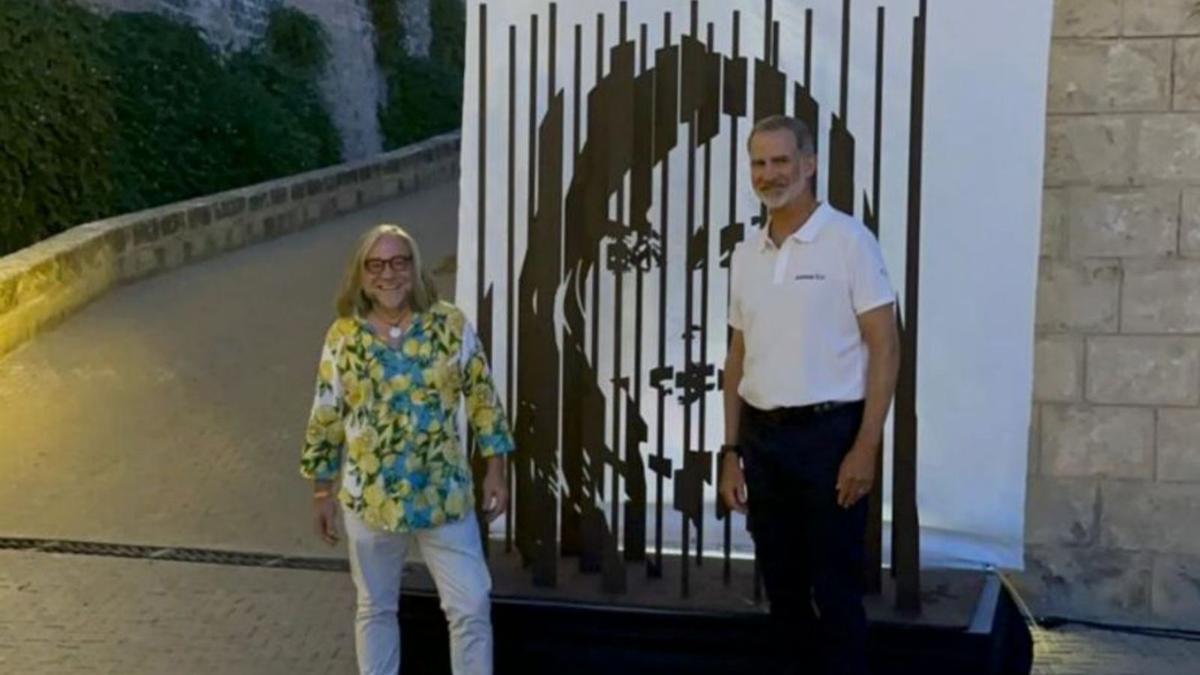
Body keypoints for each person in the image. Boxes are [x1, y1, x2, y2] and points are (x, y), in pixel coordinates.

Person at [718, 115, 900, 675]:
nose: (769, 174)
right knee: (784, 593)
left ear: (810, 164)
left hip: (830, 438)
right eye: (758, 162)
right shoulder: (747, 255)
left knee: (837, 592)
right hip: (763, 442)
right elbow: (737, 358)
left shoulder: (849, 242)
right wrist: (730, 452)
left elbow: (886, 347)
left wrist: (865, 447)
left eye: (780, 161)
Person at [300, 223, 513, 675]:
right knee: (375, 608)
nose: (389, 274)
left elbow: (482, 397)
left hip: (444, 494)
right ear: (360, 275)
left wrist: (496, 467)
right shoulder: (343, 338)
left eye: (400, 262)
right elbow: (326, 415)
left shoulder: (449, 325)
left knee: (471, 603)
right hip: (370, 501)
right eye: (375, 265)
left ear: (416, 269)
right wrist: (322, 491)